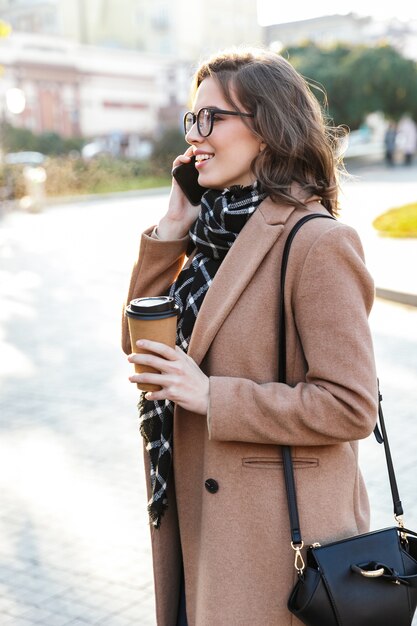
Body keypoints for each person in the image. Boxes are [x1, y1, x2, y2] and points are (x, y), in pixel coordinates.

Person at [121, 46, 378, 626]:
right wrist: (172, 229)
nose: (196, 135)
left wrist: (214, 396)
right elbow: (139, 347)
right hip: (198, 529)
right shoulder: (209, 235)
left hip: (275, 550)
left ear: (265, 130)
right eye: (192, 119)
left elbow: (351, 406)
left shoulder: (317, 243)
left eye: (212, 118)